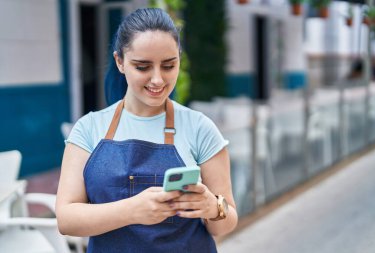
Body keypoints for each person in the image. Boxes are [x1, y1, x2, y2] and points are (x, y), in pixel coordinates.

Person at [56, 8, 238, 253]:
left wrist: (213, 207)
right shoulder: (89, 129)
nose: (157, 80)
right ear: (120, 62)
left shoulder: (200, 128)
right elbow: (66, 219)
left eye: (168, 66)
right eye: (143, 67)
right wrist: (133, 210)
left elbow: (226, 223)